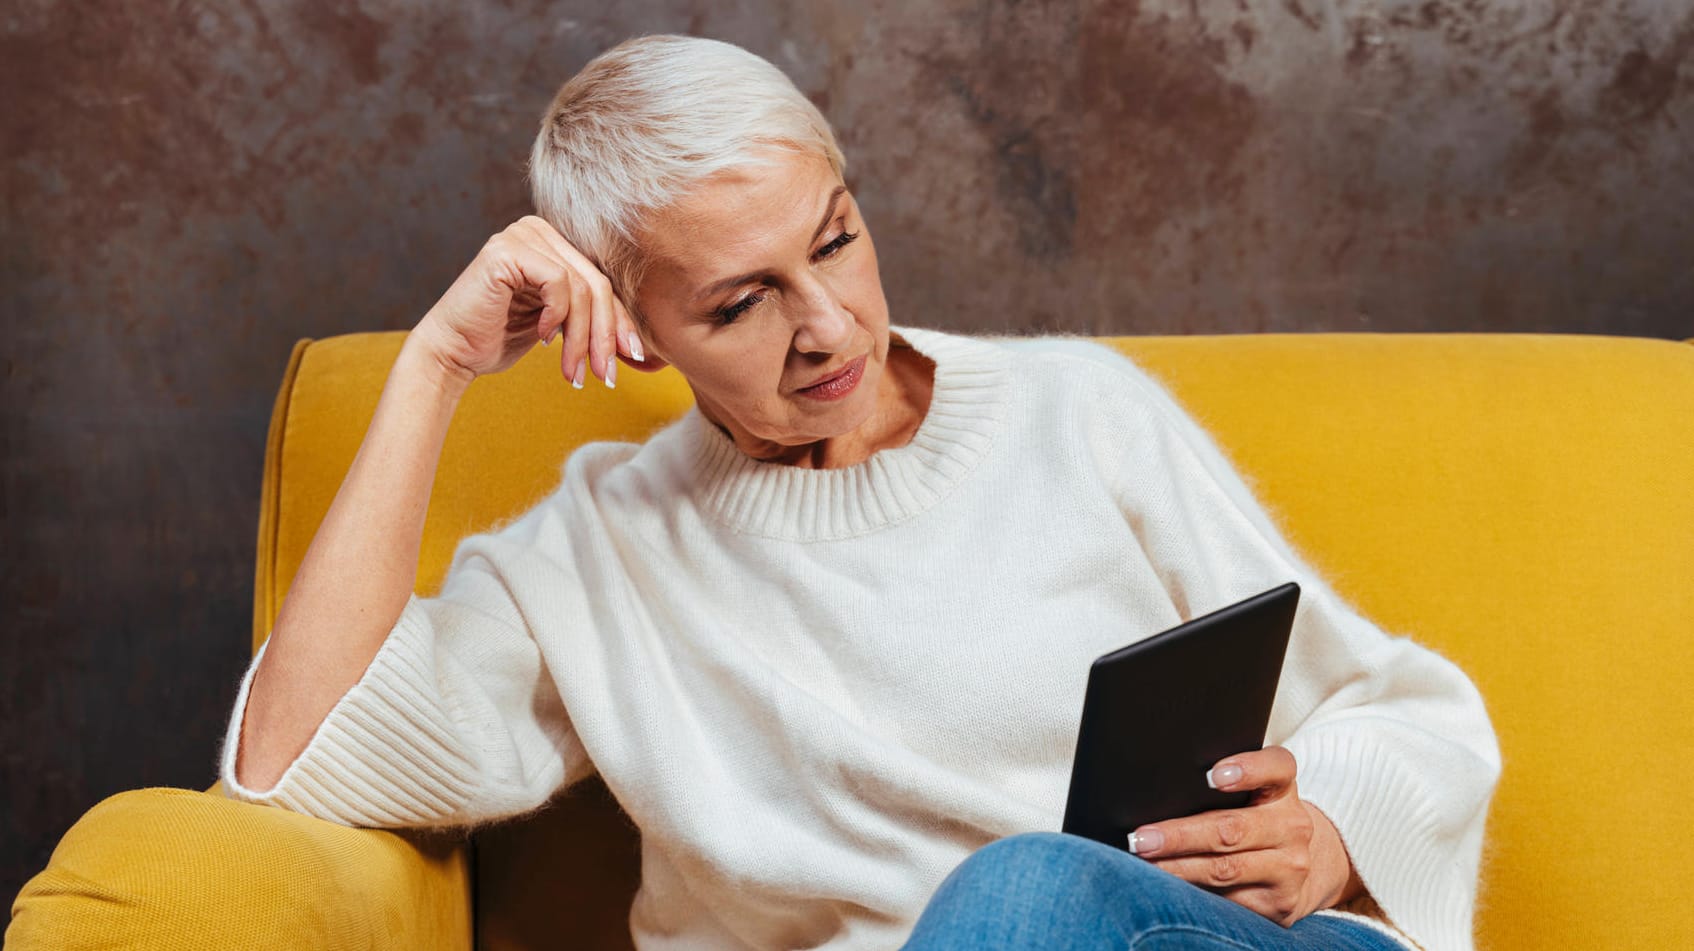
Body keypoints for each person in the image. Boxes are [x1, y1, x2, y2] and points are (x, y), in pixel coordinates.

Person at [218, 34, 1499, 951]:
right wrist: (436, 367)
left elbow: (1403, 711)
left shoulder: (1076, 414)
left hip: (1185, 940)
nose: (827, 326)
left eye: (832, 238)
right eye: (739, 301)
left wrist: (1327, 834)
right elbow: (283, 771)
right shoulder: (600, 553)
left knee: (1024, 895)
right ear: (639, 331)